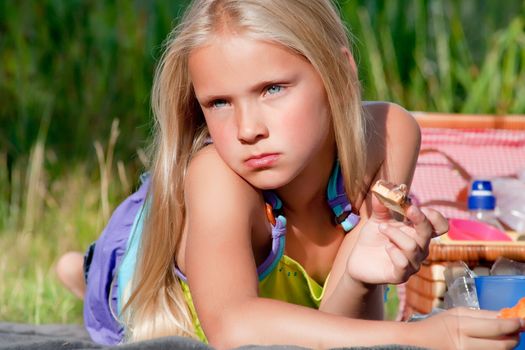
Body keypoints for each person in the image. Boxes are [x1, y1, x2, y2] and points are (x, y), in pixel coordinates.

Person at [56, 0, 524, 348]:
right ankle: (84, 272)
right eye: (218, 102)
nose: (247, 130)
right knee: (107, 279)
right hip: (146, 257)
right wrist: (424, 339)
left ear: (339, 70)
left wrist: (361, 277)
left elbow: (342, 327)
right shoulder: (218, 175)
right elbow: (234, 329)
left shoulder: (387, 135)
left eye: (273, 88)